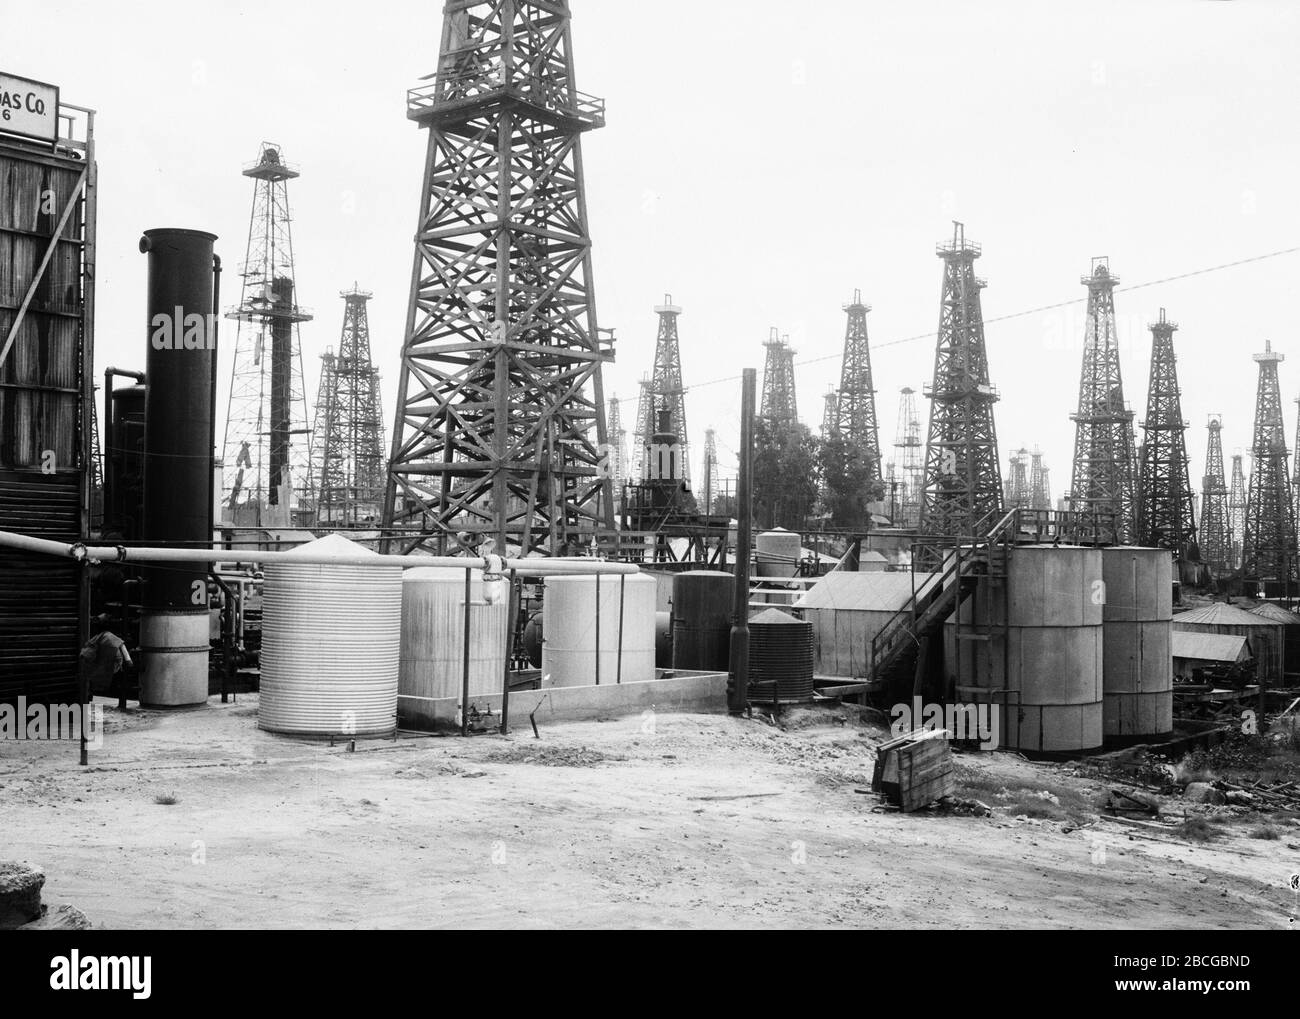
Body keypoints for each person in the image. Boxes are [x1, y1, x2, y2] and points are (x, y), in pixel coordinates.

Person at [79, 616, 133, 699]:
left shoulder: (100, 637)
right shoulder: (105, 636)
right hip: (108, 665)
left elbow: (89, 650)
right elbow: (122, 646)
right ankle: (95, 708)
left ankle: (94, 707)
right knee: (98, 693)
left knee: (97, 693)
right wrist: (128, 660)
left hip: (103, 665)